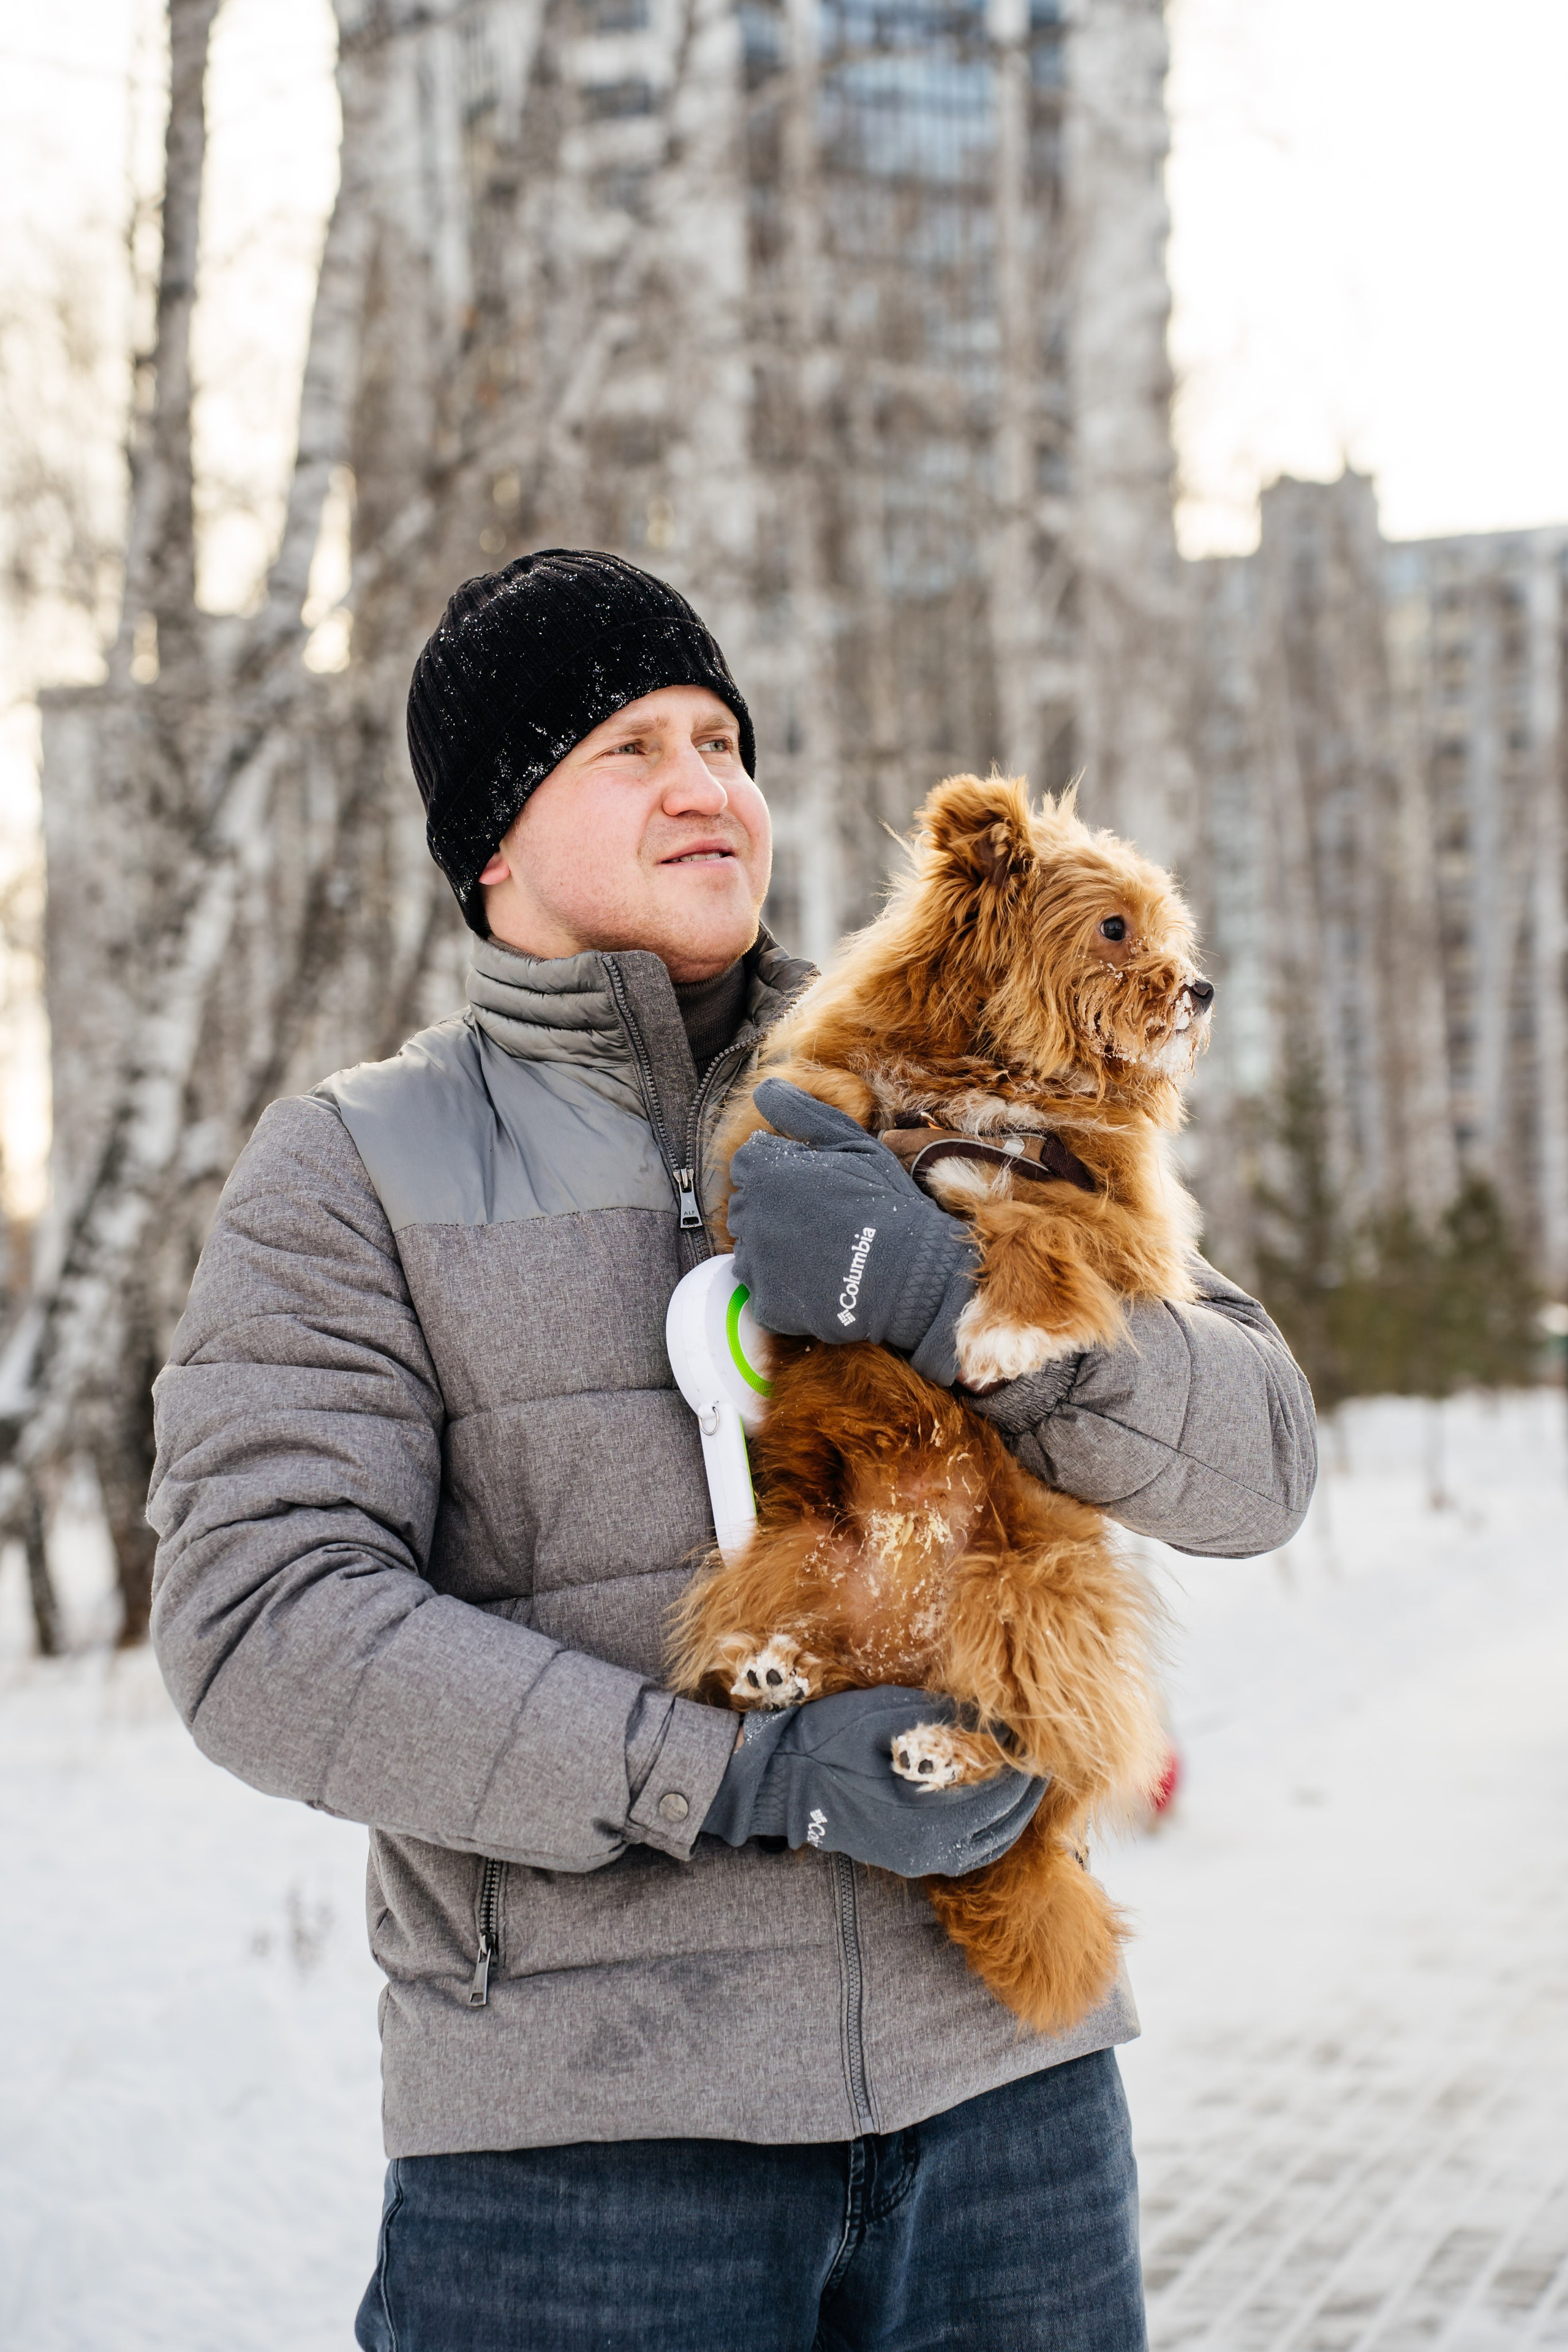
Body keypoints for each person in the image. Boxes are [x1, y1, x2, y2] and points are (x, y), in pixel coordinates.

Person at [148, 549, 1316, 2352]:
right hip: (588, 2172)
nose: (708, 782)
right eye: (628, 747)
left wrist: (962, 1311)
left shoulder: (955, 1076)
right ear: (492, 844)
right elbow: (264, 1629)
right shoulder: (354, 1173)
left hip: (1008, 2116)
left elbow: (1263, 1466)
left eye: (724, 738)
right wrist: (731, 1778)